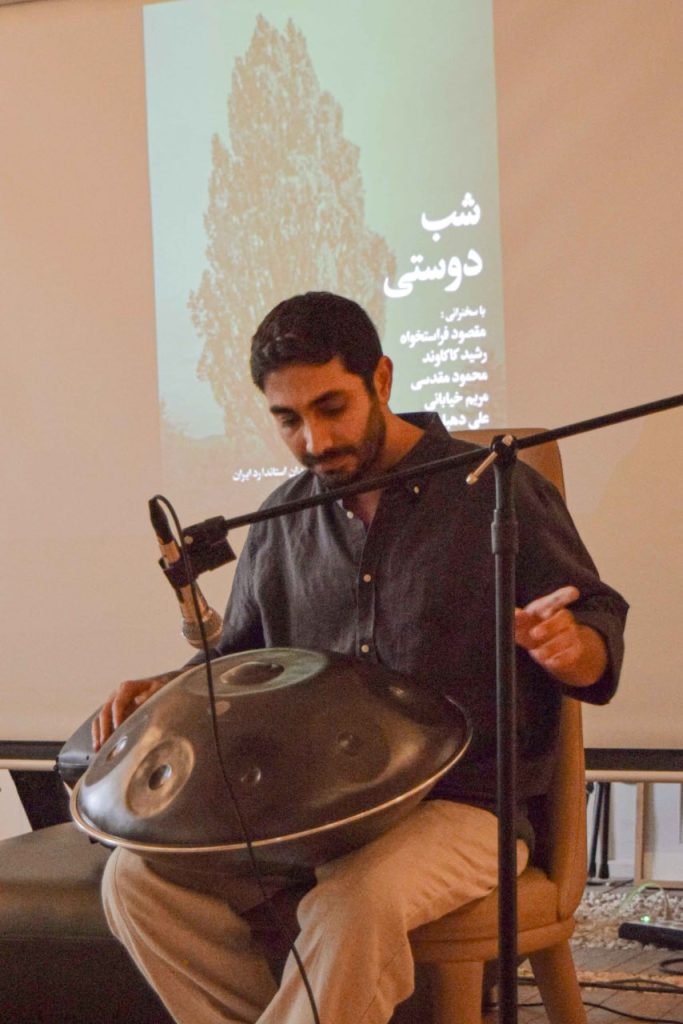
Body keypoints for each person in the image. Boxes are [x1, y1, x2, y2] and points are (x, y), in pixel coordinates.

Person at [95, 291, 627, 1024]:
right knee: (138, 882)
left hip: (465, 806)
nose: (314, 440)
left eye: (331, 407)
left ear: (380, 378)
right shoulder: (282, 522)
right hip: (313, 815)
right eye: (288, 419)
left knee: (355, 901)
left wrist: (570, 648)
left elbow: (596, 624)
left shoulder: (495, 490)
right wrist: (167, 693)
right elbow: (239, 665)